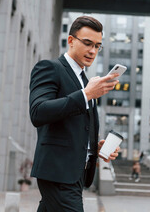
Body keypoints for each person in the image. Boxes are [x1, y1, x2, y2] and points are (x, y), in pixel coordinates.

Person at [29, 16, 120, 212]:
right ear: (71, 41)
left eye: (97, 46)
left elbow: (74, 125)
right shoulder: (50, 68)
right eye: (87, 43)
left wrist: (95, 146)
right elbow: (38, 112)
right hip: (58, 172)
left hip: (77, 173)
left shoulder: (85, 80)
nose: (92, 51)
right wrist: (86, 94)